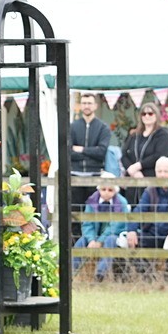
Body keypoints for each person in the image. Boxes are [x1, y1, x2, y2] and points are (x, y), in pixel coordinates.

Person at [121, 157, 168, 281]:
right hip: (153, 232)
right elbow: (138, 211)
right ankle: (148, 276)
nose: (162, 175)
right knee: (125, 240)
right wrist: (131, 230)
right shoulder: (150, 190)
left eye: (166, 171)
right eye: (159, 171)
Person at [72, 172, 131, 282]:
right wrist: (91, 239)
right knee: (80, 242)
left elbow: (116, 225)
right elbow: (87, 223)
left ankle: (100, 274)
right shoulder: (92, 201)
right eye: (103, 189)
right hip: (95, 235)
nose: (106, 193)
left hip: (114, 235)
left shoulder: (121, 203)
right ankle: (70, 273)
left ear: (115, 190)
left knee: (110, 241)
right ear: (99, 189)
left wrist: (100, 241)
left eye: (110, 190)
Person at [70, 93, 111, 237]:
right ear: (80, 106)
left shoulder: (103, 128)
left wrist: (81, 149)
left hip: (94, 177)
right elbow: (68, 152)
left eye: (89, 103)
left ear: (95, 106)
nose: (86, 106)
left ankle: (92, 245)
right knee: (74, 214)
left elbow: (101, 152)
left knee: (94, 213)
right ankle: (74, 246)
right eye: (84, 103)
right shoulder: (73, 127)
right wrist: (90, 152)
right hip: (74, 176)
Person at [120, 102, 168, 206]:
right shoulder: (135, 135)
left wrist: (139, 165)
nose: (147, 116)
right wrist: (132, 170)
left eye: (150, 113)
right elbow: (124, 154)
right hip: (133, 181)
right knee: (132, 211)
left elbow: (160, 154)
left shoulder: (163, 135)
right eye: (144, 114)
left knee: (150, 210)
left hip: (151, 180)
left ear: (156, 115)